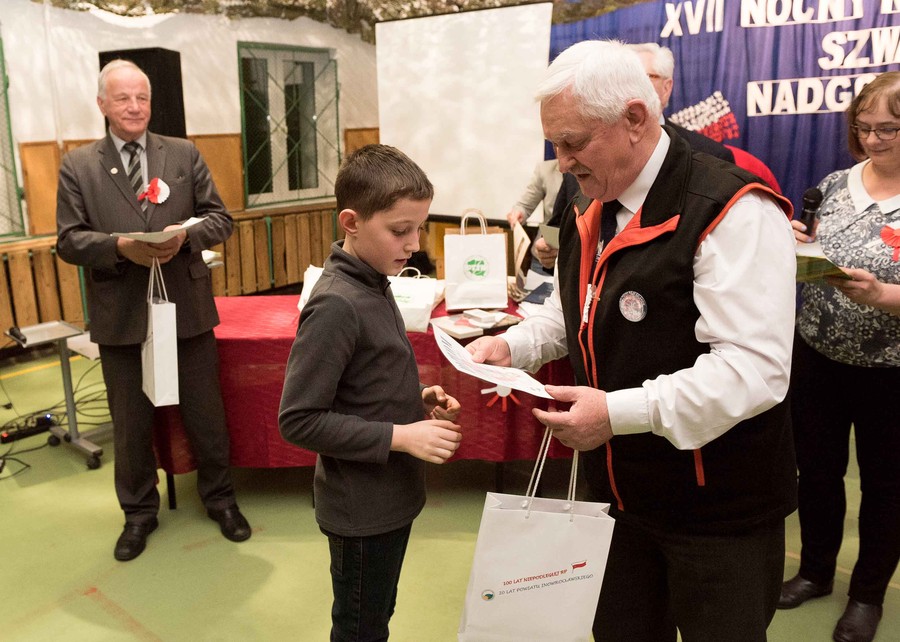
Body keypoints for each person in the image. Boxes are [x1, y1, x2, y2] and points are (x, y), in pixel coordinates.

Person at [467, 40, 798, 641]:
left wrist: (616, 414)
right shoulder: (588, 200)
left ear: (635, 120)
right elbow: (581, 311)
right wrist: (514, 346)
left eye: (573, 143)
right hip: (616, 501)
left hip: (717, 515)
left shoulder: (731, 209)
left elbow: (753, 371)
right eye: (554, 146)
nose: (562, 162)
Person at [56, 59, 251, 561]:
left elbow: (220, 219)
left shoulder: (182, 153)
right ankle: (139, 514)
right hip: (120, 314)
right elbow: (69, 240)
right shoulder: (79, 166)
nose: (134, 107)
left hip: (185, 307)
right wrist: (121, 247)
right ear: (102, 104)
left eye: (141, 97)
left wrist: (185, 237)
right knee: (131, 422)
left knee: (206, 415)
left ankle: (221, 500)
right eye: (122, 98)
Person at [278, 144, 463, 642]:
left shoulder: (376, 280)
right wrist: (402, 436)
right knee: (361, 627)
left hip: (389, 498)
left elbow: (361, 382)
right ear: (351, 222)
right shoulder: (338, 303)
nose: (413, 242)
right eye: (400, 230)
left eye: (419, 227)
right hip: (361, 510)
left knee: (377, 614)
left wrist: (417, 397)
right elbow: (298, 419)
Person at [776, 71, 900, 642]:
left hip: (890, 372)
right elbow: (820, 247)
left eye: (889, 130)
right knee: (817, 474)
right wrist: (801, 245)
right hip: (818, 356)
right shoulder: (833, 184)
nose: (874, 140)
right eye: (865, 128)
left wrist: (880, 294)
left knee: (885, 485)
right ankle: (816, 572)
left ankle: (867, 595)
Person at [506, 158, 563, 273]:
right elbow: (524, 205)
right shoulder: (545, 169)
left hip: (576, 258)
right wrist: (518, 213)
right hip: (545, 255)